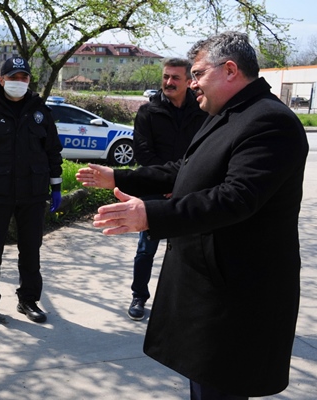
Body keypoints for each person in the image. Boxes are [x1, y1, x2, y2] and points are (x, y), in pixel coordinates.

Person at [76, 31, 308, 399]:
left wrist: (151, 215)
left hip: (235, 296)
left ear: (230, 70)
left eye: (198, 73)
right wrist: (119, 176)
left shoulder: (269, 121)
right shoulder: (228, 114)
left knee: (220, 388)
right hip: (210, 288)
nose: (193, 83)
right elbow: (185, 168)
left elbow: (236, 198)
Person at [0, 56, 63, 327]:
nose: (19, 82)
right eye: (13, 77)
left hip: (33, 195)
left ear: (29, 81)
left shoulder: (41, 112)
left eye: (24, 78)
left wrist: (56, 188)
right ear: (1, 80)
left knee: (31, 252)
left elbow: (53, 152)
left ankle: (28, 300)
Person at [126, 58, 207, 321]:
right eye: (166, 77)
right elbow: (143, 153)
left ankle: (185, 302)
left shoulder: (203, 112)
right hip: (154, 192)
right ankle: (139, 296)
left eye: (175, 78)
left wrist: (184, 184)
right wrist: (164, 184)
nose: (169, 82)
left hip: (189, 192)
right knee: (146, 250)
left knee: (188, 250)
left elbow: (205, 152)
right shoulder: (148, 113)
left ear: (188, 82)